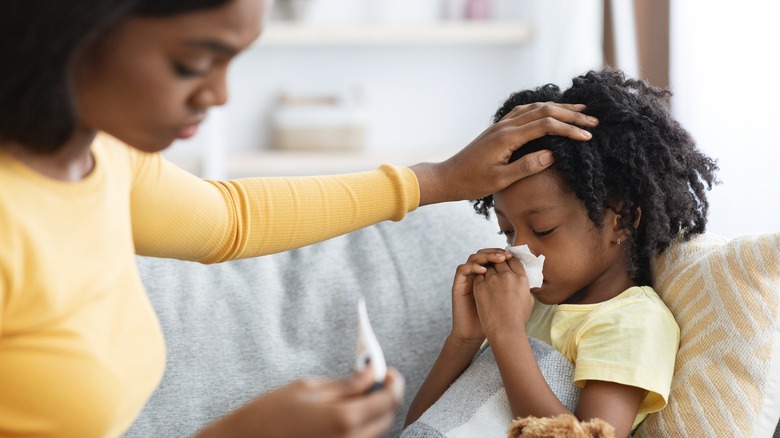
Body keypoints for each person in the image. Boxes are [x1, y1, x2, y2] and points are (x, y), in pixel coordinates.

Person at [0, 0, 600, 437]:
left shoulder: (102, 158)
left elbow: (228, 219)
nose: (222, 96)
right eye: (191, 63)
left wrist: (440, 180)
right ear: (73, 30)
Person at [405, 69, 719, 437]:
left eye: (543, 230)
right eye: (507, 231)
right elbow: (419, 427)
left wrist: (506, 334)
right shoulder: (528, 307)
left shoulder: (631, 322)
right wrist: (466, 338)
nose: (518, 248)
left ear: (621, 220)